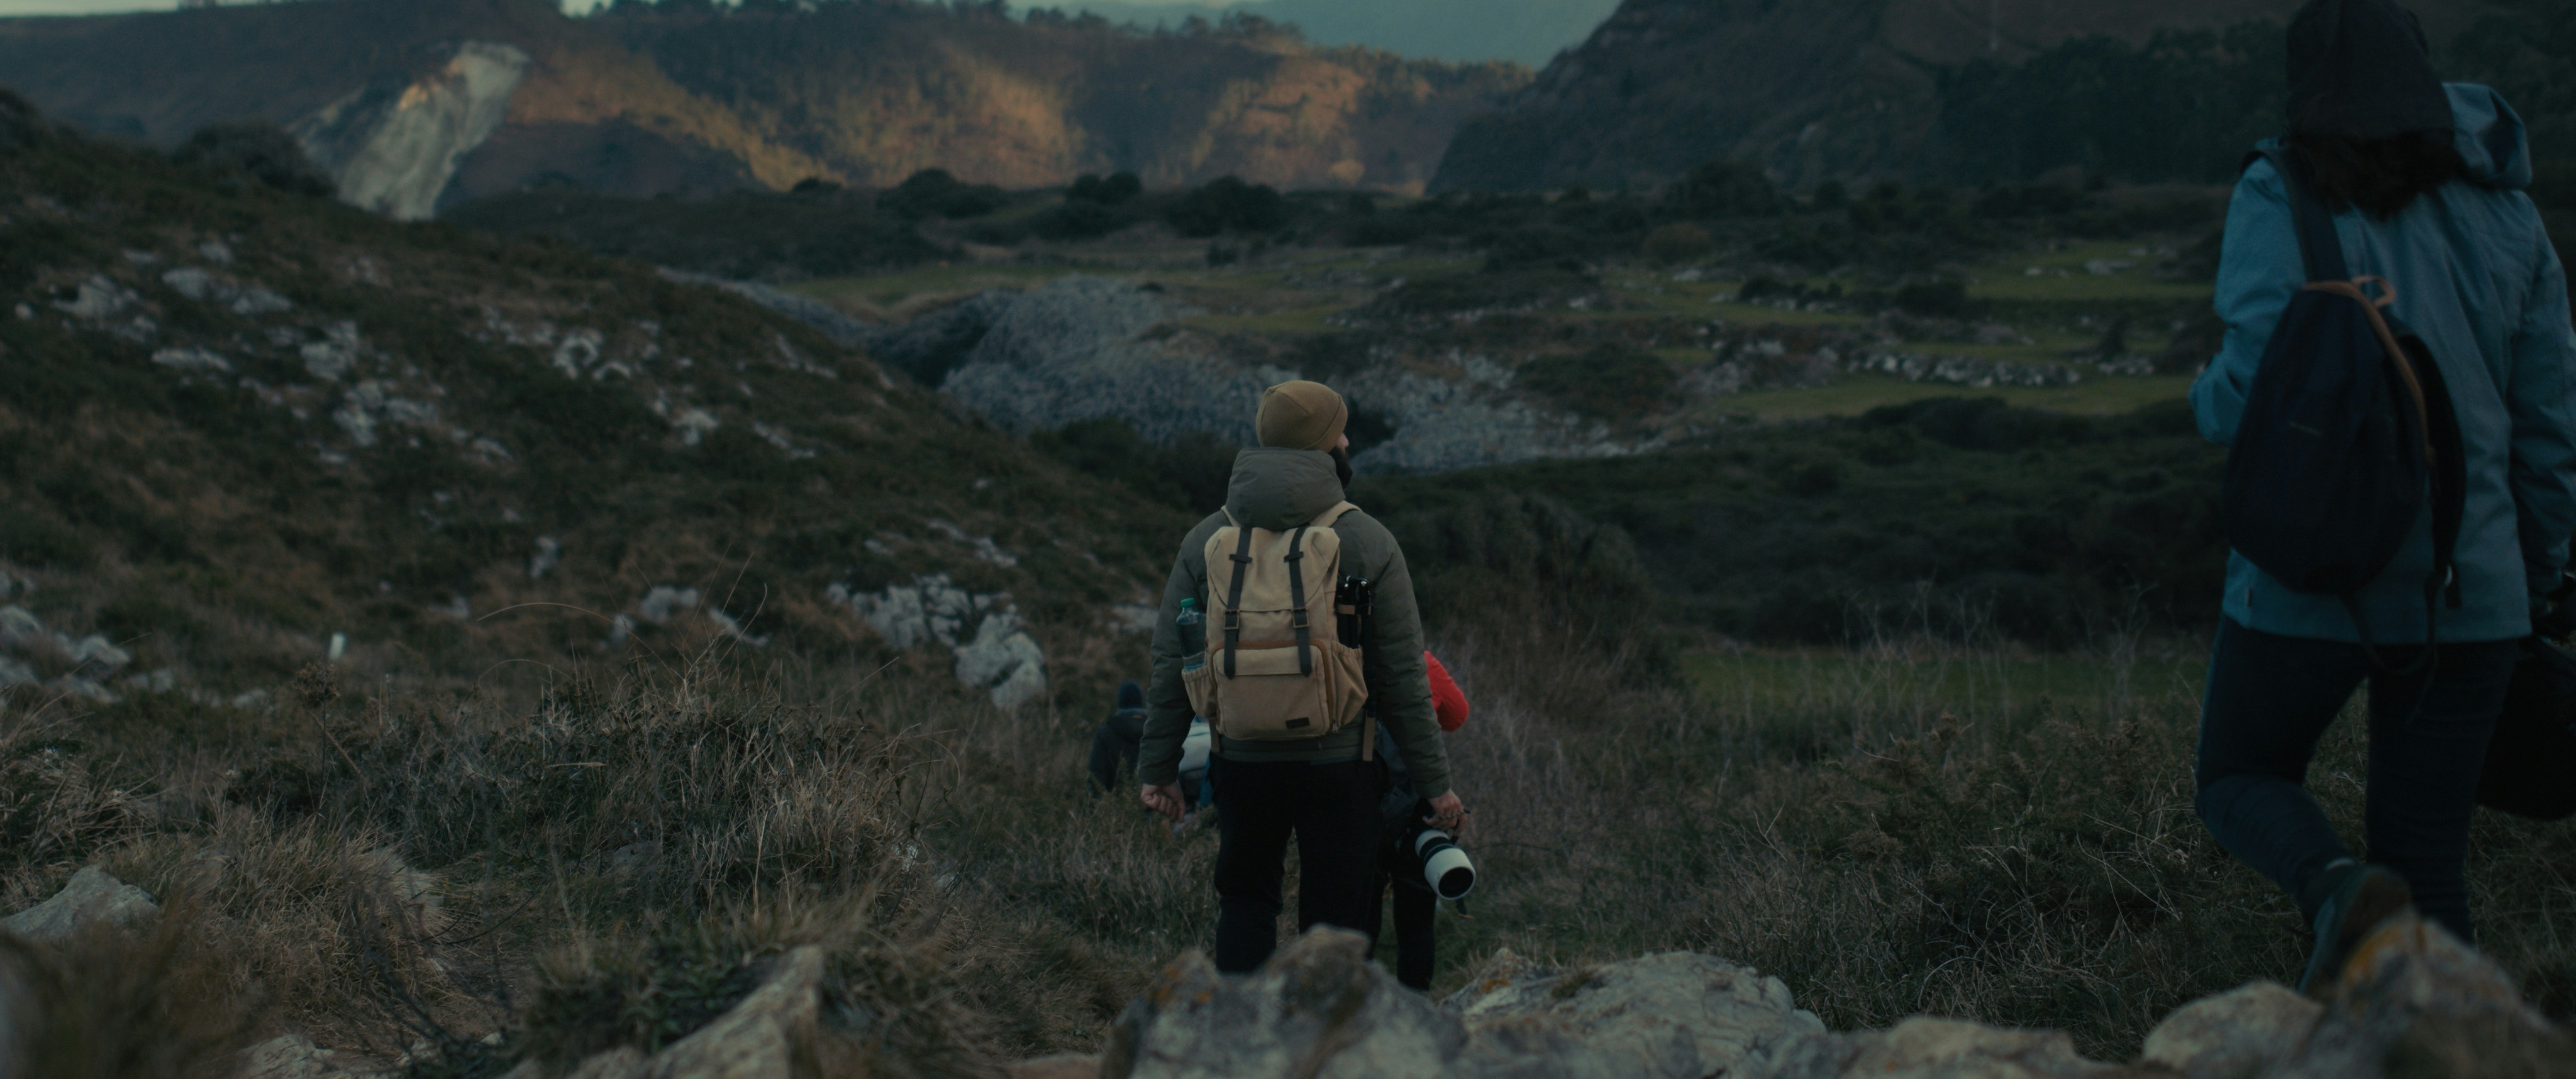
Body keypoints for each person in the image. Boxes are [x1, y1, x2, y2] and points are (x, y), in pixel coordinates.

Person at [2188, 0, 2576, 992]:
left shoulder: (2285, 192)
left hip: (2317, 573)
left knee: (2241, 775)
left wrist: (2201, 398)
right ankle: (2462, 1057)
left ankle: (2330, 888)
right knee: (2430, 860)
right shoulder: (2510, 210)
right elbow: (2549, 424)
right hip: (2474, 589)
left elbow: (2250, 388)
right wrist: (2526, 586)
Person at [1136, 380, 1468, 973]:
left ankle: (1243, 1044)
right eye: (1339, 430)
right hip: (1340, 766)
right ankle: (1326, 1051)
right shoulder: (1365, 538)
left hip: (1241, 758)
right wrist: (1436, 784)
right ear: (1323, 445)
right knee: (1334, 922)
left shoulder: (1207, 538)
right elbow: (1401, 679)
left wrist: (1158, 770)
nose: (1347, 439)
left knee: (1245, 902)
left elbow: (1172, 662)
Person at [1364, 650, 1471, 991]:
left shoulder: (1338, 654)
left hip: (1359, 807)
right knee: (1417, 921)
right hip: (1418, 807)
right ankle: (1417, 1010)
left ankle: (1352, 1013)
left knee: (1359, 920)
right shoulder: (1419, 659)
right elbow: (1456, 716)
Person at [1087, 680, 1148, 795]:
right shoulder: (1156, 729)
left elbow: (1097, 774)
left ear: (1120, 702)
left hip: (1118, 805)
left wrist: (1096, 808)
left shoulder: (1106, 732)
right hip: (1155, 804)